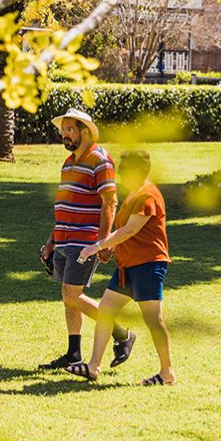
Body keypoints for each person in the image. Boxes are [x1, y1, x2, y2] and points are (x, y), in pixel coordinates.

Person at [64, 150, 175, 386]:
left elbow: (130, 230)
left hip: (147, 266)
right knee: (105, 311)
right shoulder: (134, 194)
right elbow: (125, 232)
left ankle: (167, 373)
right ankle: (93, 366)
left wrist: (97, 246)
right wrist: (110, 248)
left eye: (123, 170)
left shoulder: (148, 195)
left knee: (154, 319)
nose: (119, 175)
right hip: (127, 267)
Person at [39, 109, 136, 371]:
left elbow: (110, 202)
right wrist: (52, 241)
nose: (65, 135)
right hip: (64, 239)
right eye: (63, 131)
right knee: (67, 295)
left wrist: (104, 241)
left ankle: (122, 335)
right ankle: (73, 354)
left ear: (84, 131)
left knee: (73, 295)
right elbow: (64, 204)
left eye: (70, 130)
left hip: (85, 241)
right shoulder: (69, 162)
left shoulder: (100, 159)